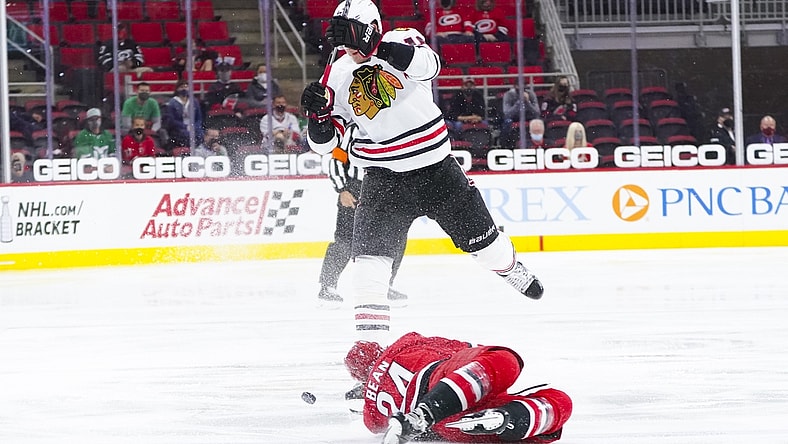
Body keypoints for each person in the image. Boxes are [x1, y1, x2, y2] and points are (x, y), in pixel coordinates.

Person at [301, 0, 543, 344]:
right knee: (369, 266)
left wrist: (377, 47)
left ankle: (510, 268)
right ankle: (371, 352)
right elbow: (324, 145)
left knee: (486, 246)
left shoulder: (403, 39)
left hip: (438, 173)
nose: (349, 50)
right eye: (344, 43)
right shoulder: (337, 76)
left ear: (371, 30)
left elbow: (430, 65)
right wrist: (319, 116)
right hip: (383, 181)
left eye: (355, 40)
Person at [344, 332, 573, 443]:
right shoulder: (405, 343)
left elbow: (379, 428)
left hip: (449, 425)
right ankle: (516, 415)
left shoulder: (370, 414)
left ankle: (502, 418)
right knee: (508, 361)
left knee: (510, 435)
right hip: (442, 378)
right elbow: (459, 348)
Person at [318, 125, 408, 305]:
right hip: (355, 189)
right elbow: (336, 160)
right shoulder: (353, 130)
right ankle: (327, 287)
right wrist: (342, 189)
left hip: (386, 190)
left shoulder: (395, 127)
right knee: (345, 240)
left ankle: (384, 285)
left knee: (396, 239)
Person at [163, 79, 204, 149]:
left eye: (186, 86)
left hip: (193, 126)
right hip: (178, 128)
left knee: (200, 133)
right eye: (182, 87)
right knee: (185, 135)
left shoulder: (194, 101)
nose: (184, 89)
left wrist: (194, 126)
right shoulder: (172, 103)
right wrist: (185, 127)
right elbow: (172, 120)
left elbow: (199, 118)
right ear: (177, 89)